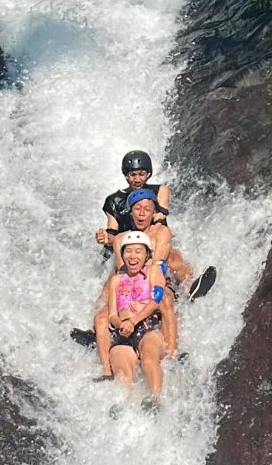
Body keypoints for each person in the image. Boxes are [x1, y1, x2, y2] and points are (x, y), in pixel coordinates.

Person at [86, 189, 217, 378]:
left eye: (147, 209)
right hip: (131, 285)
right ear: (130, 212)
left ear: (154, 212)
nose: (141, 214)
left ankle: (172, 353)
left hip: (155, 279)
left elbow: (158, 266)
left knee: (165, 294)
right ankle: (106, 367)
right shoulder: (122, 238)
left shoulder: (161, 232)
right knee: (102, 312)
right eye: (137, 209)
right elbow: (124, 271)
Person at [105, 230, 167, 413]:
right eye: (128, 251)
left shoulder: (153, 271)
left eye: (138, 251)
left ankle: (155, 398)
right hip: (124, 332)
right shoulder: (116, 280)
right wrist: (121, 324)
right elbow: (112, 314)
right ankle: (124, 407)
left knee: (149, 359)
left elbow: (156, 300)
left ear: (147, 255)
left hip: (148, 327)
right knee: (122, 372)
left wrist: (133, 321)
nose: (132, 256)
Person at [94, 150, 170, 250]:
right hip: (124, 246)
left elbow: (159, 222)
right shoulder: (113, 200)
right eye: (133, 175)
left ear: (148, 174)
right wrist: (106, 238)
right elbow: (113, 233)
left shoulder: (160, 190)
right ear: (126, 175)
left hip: (153, 243)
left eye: (142, 174)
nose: (137, 180)